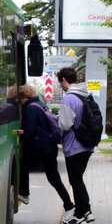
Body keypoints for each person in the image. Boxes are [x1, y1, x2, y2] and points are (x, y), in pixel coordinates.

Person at [16, 84, 73, 212]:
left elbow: (29, 130)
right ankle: (68, 204)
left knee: (23, 164)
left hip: (40, 147)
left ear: (23, 97)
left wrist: (19, 134)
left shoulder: (30, 108)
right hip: (49, 146)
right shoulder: (38, 105)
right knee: (54, 177)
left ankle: (24, 193)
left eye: (19, 99)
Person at [56, 67, 95, 224]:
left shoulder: (69, 99)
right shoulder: (85, 95)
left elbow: (65, 125)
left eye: (60, 83)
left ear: (64, 80)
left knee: (75, 180)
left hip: (74, 146)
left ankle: (80, 215)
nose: (61, 86)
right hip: (87, 145)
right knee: (77, 179)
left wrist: (57, 119)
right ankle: (85, 211)